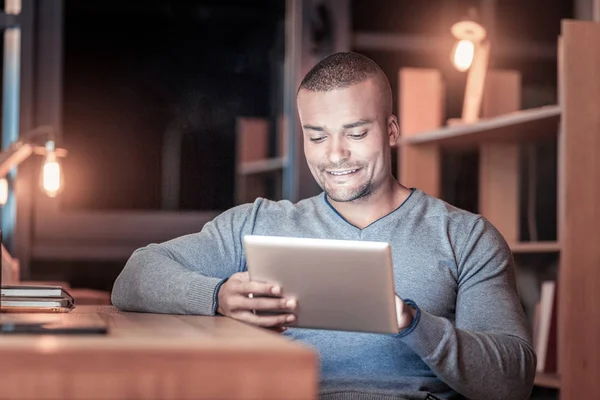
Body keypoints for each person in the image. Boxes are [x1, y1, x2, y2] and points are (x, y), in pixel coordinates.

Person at [112, 52, 536, 400]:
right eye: (317, 137)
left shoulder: (466, 236)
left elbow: (512, 379)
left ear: (390, 131)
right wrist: (218, 295)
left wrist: (412, 323)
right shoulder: (260, 222)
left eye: (355, 133)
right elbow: (135, 276)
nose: (335, 155)